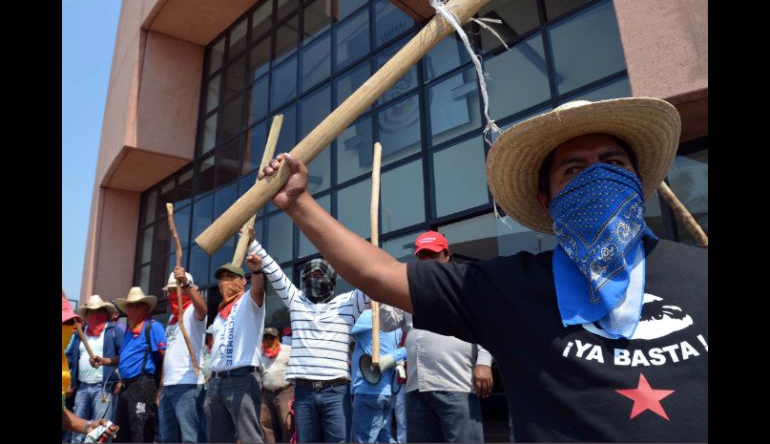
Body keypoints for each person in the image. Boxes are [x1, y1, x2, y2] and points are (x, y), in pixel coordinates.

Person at [258, 97, 708, 442]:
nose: (596, 176)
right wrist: (299, 204)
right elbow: (380, 275)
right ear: (547, 203)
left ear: (637, 182)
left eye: (612, 164)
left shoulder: (701, 272)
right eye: (573, 170)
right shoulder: (510, 286)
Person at [246, 237, 369, 443]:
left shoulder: (348, 303)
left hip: (336, 393)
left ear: (330, 278)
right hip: (303, 393)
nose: (313, 280)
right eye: (309, 276)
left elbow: (371, 283)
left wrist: (365, 258)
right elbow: (275, 273)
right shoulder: (297, 301)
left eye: (319, 275)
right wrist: (252, 243)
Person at [379, 231, 493, 443]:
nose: (426, 260)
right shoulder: (408, 290)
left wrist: (484, 362)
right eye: (422, 255)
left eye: (431, 254)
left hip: (456, 384)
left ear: (446, 255)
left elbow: (485, 323)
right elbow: (387, 324)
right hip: (416, 389)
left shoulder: (464, 282)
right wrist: (383, 289)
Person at [93, 287, 167, 443]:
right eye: (129, 305)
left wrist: (161, 387)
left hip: (143, 385)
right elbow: (124, 358)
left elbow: (165, 356)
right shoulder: (129, 330)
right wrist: (104, 361)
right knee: (122, 433)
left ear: (145, 308)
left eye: (135, 305)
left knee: (140, 431)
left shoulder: (153, 327)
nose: (130, 309)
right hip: (128, 387)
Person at [204, 260, 266, 443]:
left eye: (231, 277)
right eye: (222, 279)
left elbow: (258, 290)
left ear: (243, 281)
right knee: (217, 440)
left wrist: (256, 271)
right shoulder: (219, 315)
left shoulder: (249, 301)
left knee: (249, 438)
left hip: (242, 379)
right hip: (216, 382)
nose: (225, 282)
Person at [66, 295, 125, 443]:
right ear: (86, 314)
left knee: (101, 431)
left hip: (103, 387)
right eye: (91, 312)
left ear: (105, 312)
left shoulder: (114, 331)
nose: (94, 315)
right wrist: (70, 383)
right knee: (77, 431)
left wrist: (117, 376)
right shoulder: (80, 333)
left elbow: (124, 357)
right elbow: (71, 358)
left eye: (98, 311)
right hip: (82, 388)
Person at [159, 268, 208, 443]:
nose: (173, 294)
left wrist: (186, 284)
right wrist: (161, 386)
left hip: (188, 384)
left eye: (176, 289)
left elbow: (203, 309)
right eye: (171, 291)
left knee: (191, 437)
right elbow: (168, 355)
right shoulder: (171, 321)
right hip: (169, 385)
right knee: (168, 437)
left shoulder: (192, 314)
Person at [349, 308, 406, 443]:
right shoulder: (395, 323)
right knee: (382, 436)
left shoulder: (368, 316)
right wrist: (392, 357)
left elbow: (339, 328)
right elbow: (408, 348)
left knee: (363, 439)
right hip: (388, 392)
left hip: (368, 390)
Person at [259, 327, 294, 443]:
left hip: (284, 392)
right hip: (266, 393)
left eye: (271, 337)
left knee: (287, 423)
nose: (268, 340)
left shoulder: (288, 350)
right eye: (266, 337)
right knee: (264, 422)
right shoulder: (260, 352)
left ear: (277, 338)